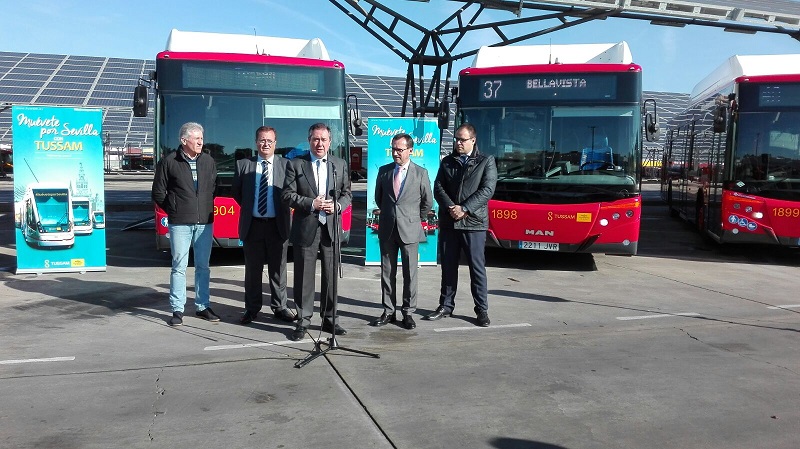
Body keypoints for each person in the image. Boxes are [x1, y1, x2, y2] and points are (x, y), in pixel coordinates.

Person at [282, 123, 352, 341]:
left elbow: (347, 193)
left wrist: (337, 206)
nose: (319, 143)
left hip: (331, 228)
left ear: (330, 142)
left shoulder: (339, 164)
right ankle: (303, 320)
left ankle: (330, 318)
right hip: (307, 228)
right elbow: (287, 195)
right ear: (309, 140)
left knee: (331, 277)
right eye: (315, 139)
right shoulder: (296, 164)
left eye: (323, 139)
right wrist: (312, 204)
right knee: (304, 277)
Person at [425, 123, 497, 326]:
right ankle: (446, 305)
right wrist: (451, 207)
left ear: (473, 140)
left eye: (462, 139)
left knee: (477, 269)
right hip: (450, 223)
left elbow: (487, 189)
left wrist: (464, 208)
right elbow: (438, 187)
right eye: (456, 139)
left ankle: (481, 310)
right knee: (448, 267)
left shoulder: (486, 161)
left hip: (473, 223)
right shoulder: (448, 161)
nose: (458, 142)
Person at [151, 122, 220, 326]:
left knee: (203, 267)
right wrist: (174, 209)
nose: (201, 141)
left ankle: (202, 306)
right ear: (184, 140)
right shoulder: (169, 162)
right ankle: (177, 309)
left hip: (205, 222)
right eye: (197, 138)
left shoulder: (208, 161)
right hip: (180, 223)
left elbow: (213, 188)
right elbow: (158, 192)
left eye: (202, 137)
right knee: (179, 267)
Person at [232, 126, 296, 325]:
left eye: (269, 141)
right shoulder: (243, 165)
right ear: (256, 142)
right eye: (262, 140)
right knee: (252, 271)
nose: (265, 144)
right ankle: (251, 309)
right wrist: (255, 210)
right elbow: (238, 194)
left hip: (277, 225)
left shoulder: (286, 165)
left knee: (279, 270)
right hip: (253, 226)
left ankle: (280, 307)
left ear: (275, 143)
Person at [372, 133, 433, 330]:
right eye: (393, 149)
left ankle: (408, 312)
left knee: (410, 274)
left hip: (410, 229)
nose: (396, 153)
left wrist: (414, 218)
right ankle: (388, 311)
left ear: (410, 150)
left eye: (400, 149)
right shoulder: (384, 171)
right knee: (387, 273)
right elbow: (379, 198)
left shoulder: (420, 173)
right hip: (388, 229)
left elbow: (427, 202)